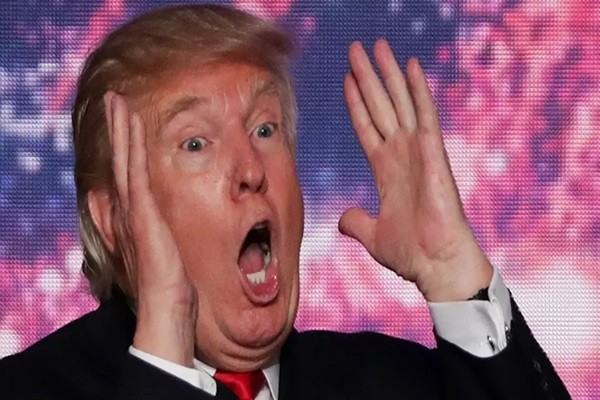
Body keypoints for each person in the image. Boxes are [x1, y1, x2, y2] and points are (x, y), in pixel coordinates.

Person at [0, 4, 569, 399]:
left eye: (265, 129)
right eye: (196, 143)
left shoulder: (394, 382)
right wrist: (166, 339)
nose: (251, 169)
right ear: (114, 219)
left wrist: (453, 271)